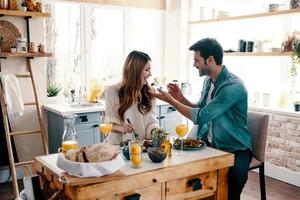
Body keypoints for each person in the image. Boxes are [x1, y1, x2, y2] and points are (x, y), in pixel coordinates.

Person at [151, 38, 252, 200]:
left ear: (210, 60)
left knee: (229, 193)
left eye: (196, 60)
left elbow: (202, 117)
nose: (194, 65)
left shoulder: (233, 86)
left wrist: (171, 100)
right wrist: (181, 98)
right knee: (193, 182)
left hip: (235, 150)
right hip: (211, 146)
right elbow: (201, 108)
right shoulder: (208, 81)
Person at [105, 50, 158, 145]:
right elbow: (108, 124)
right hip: (117, 147)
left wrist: (155, 131)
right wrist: (122, 128)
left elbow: (151, 122)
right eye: (147, 70)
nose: (150, 74)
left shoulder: (151, 92)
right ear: (135, 71)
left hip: (139, 148)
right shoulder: (112, 91)